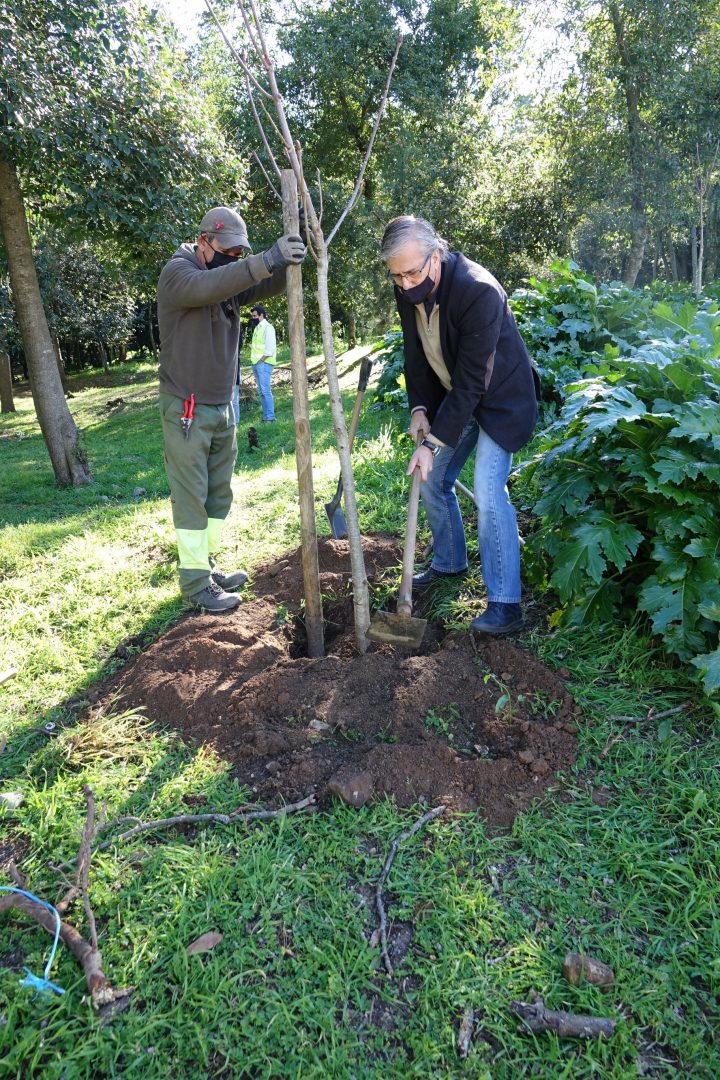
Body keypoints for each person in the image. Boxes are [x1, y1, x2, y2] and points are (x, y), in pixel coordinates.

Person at [380, 215, 539, 634]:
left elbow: (473, 383)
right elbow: (415, 353)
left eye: (412, 272)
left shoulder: (477, 290)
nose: (406, 283)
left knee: (488, 491)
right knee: (432, 481)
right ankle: (450, 562)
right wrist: (419, 408)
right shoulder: (407, 287)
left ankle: (506, 605)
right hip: (456, 398)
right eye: (397, 276)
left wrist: (431, 443)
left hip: (500, 401)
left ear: (436, 256)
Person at [157, 206, 305, 612]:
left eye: (241, 254)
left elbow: (260, 282)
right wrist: (264, 260)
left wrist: (294, 247)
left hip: (223, 406)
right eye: (228, 251)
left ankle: (206, 566)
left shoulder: (229, 275)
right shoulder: (178, 273)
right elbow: (210, 286)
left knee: (218, 494)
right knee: (192, 497)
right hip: (187, 407)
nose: (234, 259)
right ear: (204, 240)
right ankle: (194, 585)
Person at [249, 305, 277, 422]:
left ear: (261, 315)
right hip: (257, 363)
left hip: (264, 363)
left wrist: (261, 360)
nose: (253, 318)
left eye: (255, 316)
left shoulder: (268, 327)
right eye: (252, 316)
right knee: (261, 392)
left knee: (265, 391)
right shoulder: (257, 328)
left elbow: (270, 348)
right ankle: (266, 417)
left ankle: (270, 418)